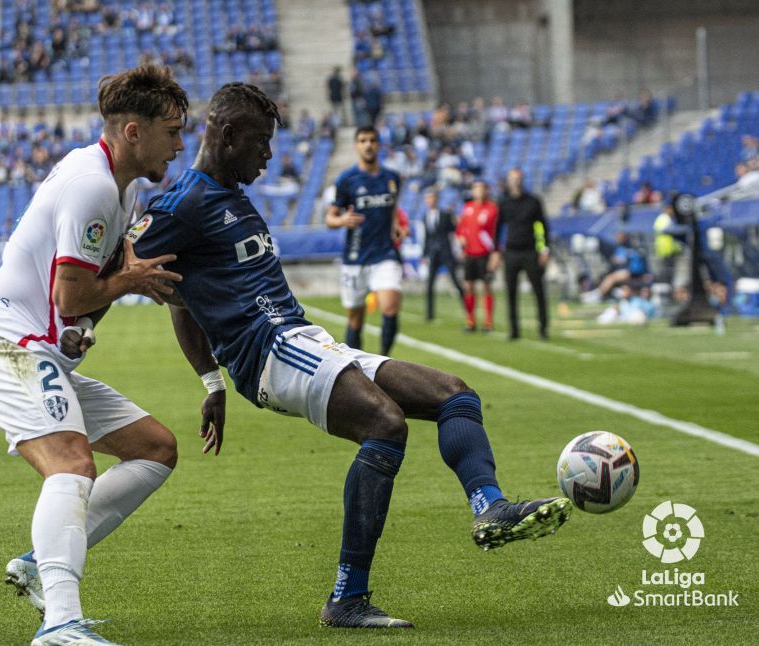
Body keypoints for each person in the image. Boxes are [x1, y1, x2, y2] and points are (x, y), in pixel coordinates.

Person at [65, 82, 572, 629]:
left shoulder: (231, 196)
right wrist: (79, 328)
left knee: (455, 395)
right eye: (260, 143)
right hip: (269, 354)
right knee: (385, 423)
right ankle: (347, 598)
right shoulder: (184, 201)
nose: (268, 155)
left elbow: (180, 297)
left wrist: (209, 383)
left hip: (308, 340)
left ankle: (488, 507)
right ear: (229, 136)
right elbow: (120, 272)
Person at [0, 64, 192, 646]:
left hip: (41, 351)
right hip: (8, 343)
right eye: (172, 130)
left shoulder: (121, 182)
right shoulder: (91, 184)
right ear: (133, 131)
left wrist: (128, 259)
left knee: (154, 449)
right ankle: (60, 624)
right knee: (72, 465)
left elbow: (108, 253)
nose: (181, 144)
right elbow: (71, 293)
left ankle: (40, 562)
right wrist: (130, 282)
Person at [325, 126, 403, 356]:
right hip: (355, 258)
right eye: (363, 140)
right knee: (355, 320)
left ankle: (383, 361)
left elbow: (394, 208)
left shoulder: (393, 178)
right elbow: (329, 218)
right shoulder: (346, 180)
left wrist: (396, 224)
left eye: (372, 140)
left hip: (385, 254)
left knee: (390, 307)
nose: (368, 144)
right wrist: (342, 220)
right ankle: (357, 367)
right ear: (356, 146)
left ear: (379, 145)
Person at [493, 168, 550, 340]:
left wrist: (544, 249)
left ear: (522, 180)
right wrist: (496, 251)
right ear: (508, 181)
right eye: (512, 178)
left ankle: (543, 328)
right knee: (510, 292)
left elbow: (542, 226)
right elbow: (497, 228)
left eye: (518, 178)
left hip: (530, 251)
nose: (516, 181)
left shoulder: (533, 201)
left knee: (538, 291)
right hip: (511, 252)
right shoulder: (503, 202)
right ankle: (514, 330)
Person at [457, 180, 499, 332]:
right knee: (468, 286)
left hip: (485, 253)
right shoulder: (467, 208)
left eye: (481, 188)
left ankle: (488, 322)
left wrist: (496, 254)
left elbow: (497, 232)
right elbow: (461, 228)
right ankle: (471, 321)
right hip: (469, 253)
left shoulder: (492, 209)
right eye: (476, 188)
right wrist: (461, 238)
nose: (479, 191)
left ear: (486, 190)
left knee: (487, 286)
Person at [421, 187, 464, 321]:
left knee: (456, 281)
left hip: (446, 252)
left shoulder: (445, 214)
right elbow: (427, 237)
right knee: (429, 285)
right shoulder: (425, 216)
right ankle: (429, 315)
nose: (430, 200)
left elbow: (455, 230)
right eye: (428, 198)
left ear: (437, 199)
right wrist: (425, 254)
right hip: (433, 254)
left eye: (432, 197)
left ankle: (468, 309)